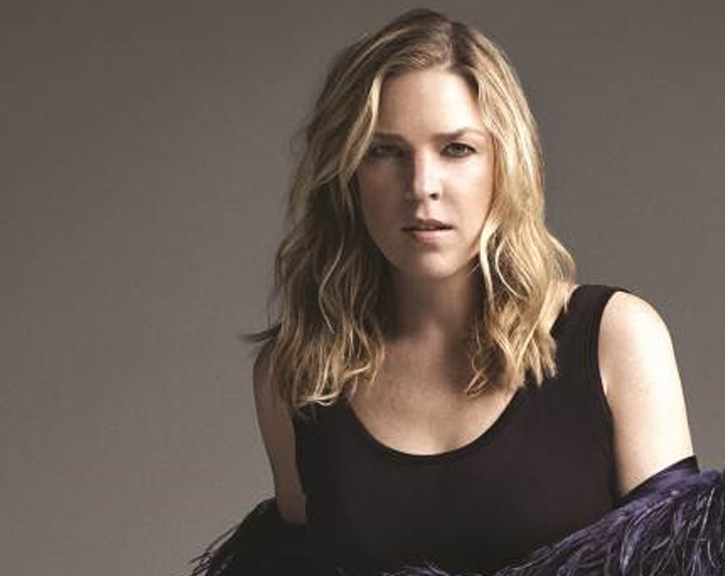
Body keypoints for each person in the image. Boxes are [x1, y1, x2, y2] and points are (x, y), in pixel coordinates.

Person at [240, 8, 697, 576]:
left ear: (506, 164)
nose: (421, 187)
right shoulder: (296, 376)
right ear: (347, 175)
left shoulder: (614, 337)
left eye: (456, 149)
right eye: (384, 151)